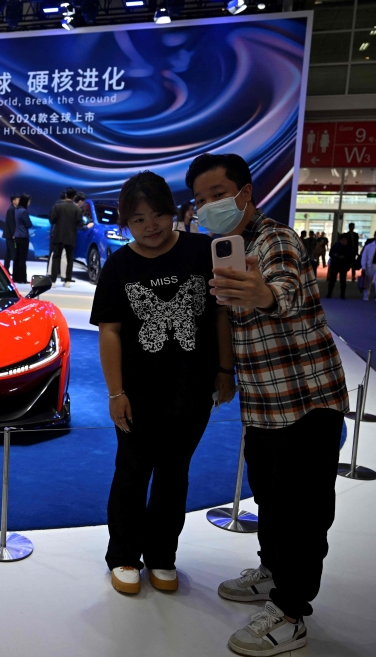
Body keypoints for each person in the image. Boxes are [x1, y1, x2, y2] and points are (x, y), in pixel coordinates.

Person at [189, 153, 349, 657]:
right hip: (263, 403)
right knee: (271, 498)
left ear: (245, 193)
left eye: (218, 194)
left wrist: (261, 293)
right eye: (200, 200)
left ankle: (292, 611)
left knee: (304, 509)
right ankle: (274, 572)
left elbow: (283, 290)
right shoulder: (224, 249)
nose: (209, 206)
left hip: (306, 400)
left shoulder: (275, 240)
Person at [92, 171, 235, 597]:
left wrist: (226, 371)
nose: (150, 225)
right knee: (132, 473)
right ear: (126, 223)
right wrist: (116, 393)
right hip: (138, 393)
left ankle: (162, 556)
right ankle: (123, 555)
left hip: (192, 389)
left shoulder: (203, 251)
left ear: (174, 212)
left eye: (157, 214)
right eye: (138, 219)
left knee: (175, 475)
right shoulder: (120, 265)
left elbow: (220, 315)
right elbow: (110, 331)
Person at [49, 187, 84, 287]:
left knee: (56, 258)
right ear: (74, 197)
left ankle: (53, 281)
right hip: (71, 237)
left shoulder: (57, 207)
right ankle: (67, 281)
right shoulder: (77, 209)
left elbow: (52, 220)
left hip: (58, 236)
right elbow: (80, 224)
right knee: (69, 259)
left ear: (66, 195)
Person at [11, 194, 32, 284]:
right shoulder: (24, 211)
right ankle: (22, 278)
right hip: (23, 236)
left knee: (17, 257)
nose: (29, 203)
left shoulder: (16, 210)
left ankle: (15, 277)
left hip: (17, 235)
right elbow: (29, 224)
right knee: (22, 258)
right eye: (29, 201)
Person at [325, 234, 352, 299]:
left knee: (343, 280)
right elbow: (330, 253)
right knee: (332, 280)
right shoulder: (336, 246)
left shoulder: (349, 247)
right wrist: (336, 255)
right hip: (335, 264)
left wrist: (345, 257)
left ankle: (342, 294)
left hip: (343, 265)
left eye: (345, 240)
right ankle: (329, 293)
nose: (343, 241)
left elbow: (350, 256)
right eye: (342, 240)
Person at [1, 194, 20, 275]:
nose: (19, 201)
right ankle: (15, 272)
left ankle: (5, 270)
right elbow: (11, 223)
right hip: (10, 235)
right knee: (13, 253)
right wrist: (14, 233)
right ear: (13, 201)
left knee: (8, 254)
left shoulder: (13, 209)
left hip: (9, 234)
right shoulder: (11, 209)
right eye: (18, 200)